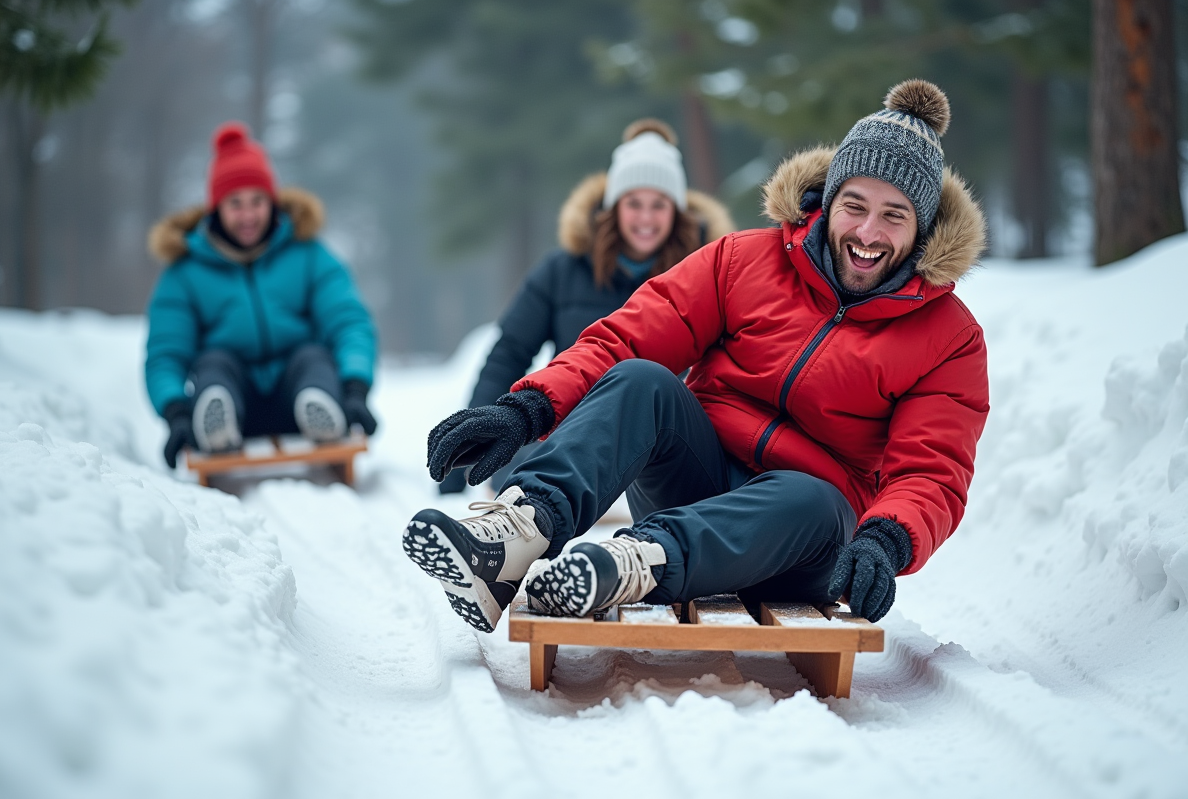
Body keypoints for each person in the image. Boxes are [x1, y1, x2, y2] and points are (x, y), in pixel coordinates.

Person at [403, 79, 990, 635]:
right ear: (827, 201)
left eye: (895, 215)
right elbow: (623, 340)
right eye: (854, 205)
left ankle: (635, 564)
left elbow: (931, 470)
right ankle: (514, 538)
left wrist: (887, 539)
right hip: (696, 478)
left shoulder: (948, 337)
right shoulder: (744, 260)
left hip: (800, 533)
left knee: (813, 496)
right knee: (640, 379)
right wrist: (525, 410)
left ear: (923, 230)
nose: (868, 232)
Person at [438, 118, 733, 494]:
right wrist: (468, 446)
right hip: (567, 432)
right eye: (634, 203)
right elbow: (509, 353)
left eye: (658, 205)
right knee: (523, 476)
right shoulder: (562, 271)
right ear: (614, 207)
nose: (646, 217)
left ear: (676, 211)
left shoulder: (705, 275)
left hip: (663, 449)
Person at [146, 122, 378, 468]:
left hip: (297, 399)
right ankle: (215, 422)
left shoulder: (308, 254)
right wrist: (175, 410)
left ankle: (323, 410)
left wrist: (355, 385)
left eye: (257, 201)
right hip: (236, 405)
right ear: (216, 209)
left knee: (312, 357)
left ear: (272, 202)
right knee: (214, 363)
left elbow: (348, 321)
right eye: (235, 204)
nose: (248, 214)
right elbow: (167, 351)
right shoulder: (185, 273)